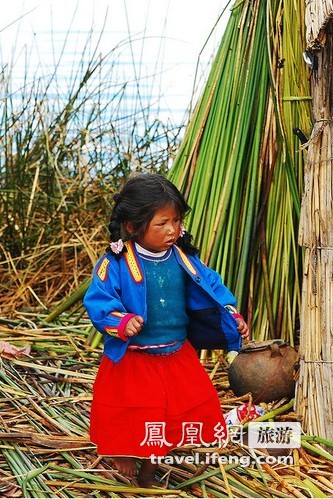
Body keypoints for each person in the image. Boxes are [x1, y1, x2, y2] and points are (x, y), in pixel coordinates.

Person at [83, 173, 249, 488]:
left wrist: (231, 314)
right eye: (162, 223)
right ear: (132, 226)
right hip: (134, 358)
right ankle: (127, 455)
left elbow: (213, 288)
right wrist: (121, 322)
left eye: (176, 220)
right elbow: (99, 301)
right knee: (133, 413)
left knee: (173, 411)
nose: (172, 229)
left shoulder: (185, 259)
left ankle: (151, 463)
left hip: (176, 353)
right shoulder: (116, 263)